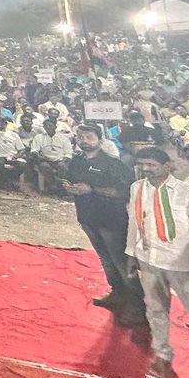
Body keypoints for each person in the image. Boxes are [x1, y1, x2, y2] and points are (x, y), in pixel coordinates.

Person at [125, 147, 189, 378]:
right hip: (150, 259)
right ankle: (162, 356)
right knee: (155, 309)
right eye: (142, 164)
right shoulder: (137, 189)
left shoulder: (188, 193)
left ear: (167, 165)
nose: (146, 169)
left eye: (151, 164)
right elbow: (134, 222)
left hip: (183, 264)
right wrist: (131, 253)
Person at [64, 123, 144, 328]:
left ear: (100, 140)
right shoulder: (76, 162)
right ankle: (117, 293)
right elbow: (78, 185)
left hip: (111, 220)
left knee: (121, 261)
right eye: (80, 136)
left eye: (89, 136)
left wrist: (92, 189)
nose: (84, 140)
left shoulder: (113, 164)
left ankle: (137, 305)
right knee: (106, 260)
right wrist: (72, 189)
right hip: (87, 218)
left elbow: (125, 193)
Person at [28, 116, 73, 193]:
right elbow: (34, 150)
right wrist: (38, 156)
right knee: (44, 166)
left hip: (60, 160)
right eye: (46, 126)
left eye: (51, 126)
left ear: (55, 127)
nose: (48, 127)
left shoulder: (63, 138)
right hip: (45, 160)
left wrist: (63, 161)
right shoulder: (39, 137)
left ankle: (62, 189)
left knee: (62, 167)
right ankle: (53, 186)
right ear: (44, 127)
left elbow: (68, 153)